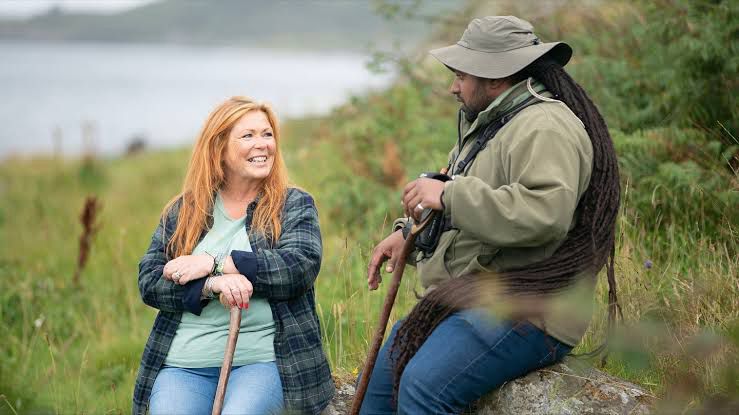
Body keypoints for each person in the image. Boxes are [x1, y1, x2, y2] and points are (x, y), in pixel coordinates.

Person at [361, 16, 620, 414]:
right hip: (472, 297)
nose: (453, 86)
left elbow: (544, 215)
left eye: (461, 76)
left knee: (422, 388)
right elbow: (462, 200)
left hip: (531, 309)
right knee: (379, 385)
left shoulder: (544, 127)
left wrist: (448, 195)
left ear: (495, 77)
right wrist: (407, 236)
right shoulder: (491, 122)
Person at [133, 97, 334, 415]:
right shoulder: (184, 210)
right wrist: (211, 285)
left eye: (267, 135)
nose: (263, 145)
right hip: (184, 365)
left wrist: (212, 261)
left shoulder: (292, 204)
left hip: (262, 361)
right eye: (248, 136)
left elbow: (299, 267)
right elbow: (149, 281)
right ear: (219, 148)